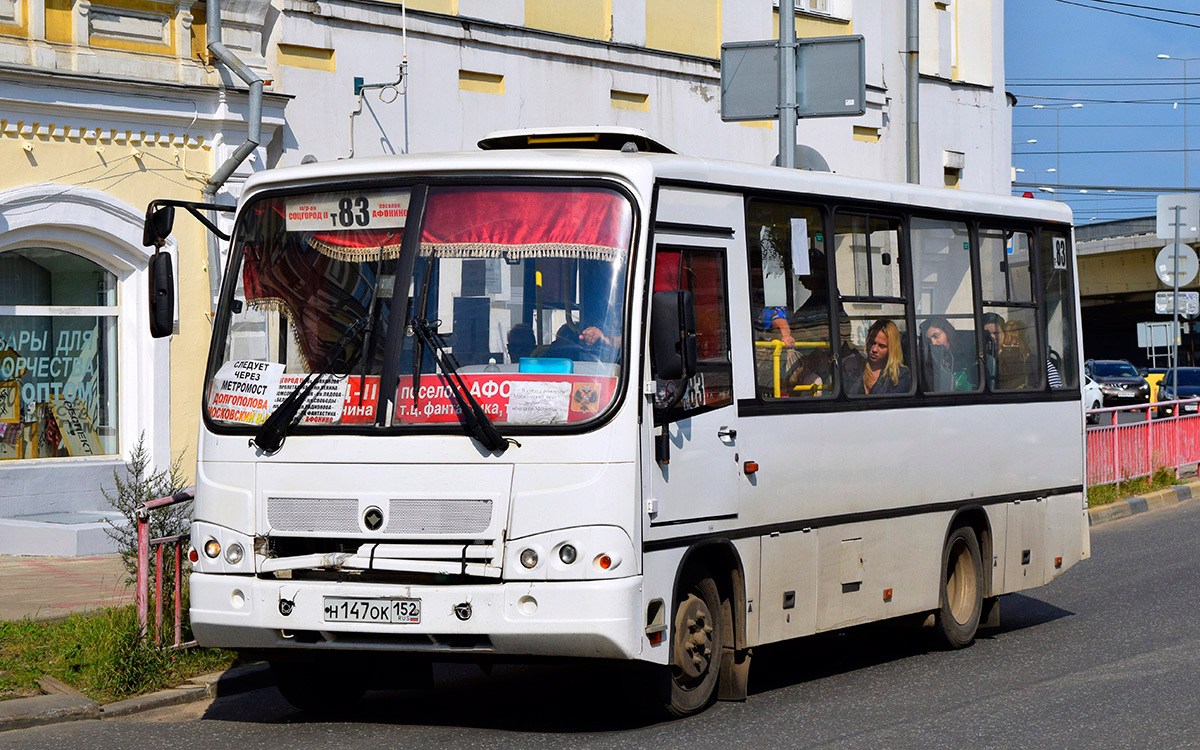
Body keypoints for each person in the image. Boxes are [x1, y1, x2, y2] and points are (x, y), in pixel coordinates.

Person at [847, 318, 911, 395]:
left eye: (881, 346)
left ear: (891, 349)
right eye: (872, 342)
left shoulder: (899, 375)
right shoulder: (857, 367)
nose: (874, 349)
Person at [919, 315, 977, 392]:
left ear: (948, 334)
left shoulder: (965, 356)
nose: (933, 343)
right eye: (929, 340)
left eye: (936, 336)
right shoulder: (925, 362)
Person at [997, 319, 1037, 389]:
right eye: (1008, 344)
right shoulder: (996, 366)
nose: (1012, 347)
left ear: (1024, 343)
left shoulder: (1038, 363)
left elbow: (1055, 391)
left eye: (1016, 344)